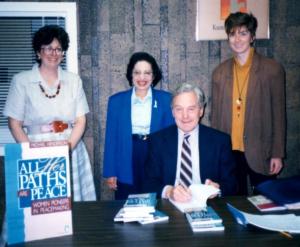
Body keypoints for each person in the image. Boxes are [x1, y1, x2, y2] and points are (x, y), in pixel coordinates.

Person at [3, 25, 96, 201]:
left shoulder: (73, 81)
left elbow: (81, 120)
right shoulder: (21, 81)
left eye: (58, 49)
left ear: (63, 53)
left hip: (70, 147)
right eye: (48, 48)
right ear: (38, 52)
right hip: (34, 148)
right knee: (40, 206)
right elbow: (14, 123)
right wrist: (32, 153)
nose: (53, 53)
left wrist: (66, 149)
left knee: (73, 207)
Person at [211, 12, 286, 195]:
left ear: (252, 37)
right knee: (233, 206)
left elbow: (279, 115)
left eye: (243, 33)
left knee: (266, 205)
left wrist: (277, 153)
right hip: (229, 152)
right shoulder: (219, 72)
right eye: (233, 34)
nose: (237, 39)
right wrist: (215, 154)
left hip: (261, 151)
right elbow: (215, 118)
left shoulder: (272, 69)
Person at [143, 83, 237, 202]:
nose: (185, 116)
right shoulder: (157, 141)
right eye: (179, 109)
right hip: (170, 206)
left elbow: (232, 184)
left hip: (209, 206)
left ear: (201, 111)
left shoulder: (220, 141)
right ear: (172, 112)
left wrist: (218, 189)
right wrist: (169, 191)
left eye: (191, 109)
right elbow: (148, 183)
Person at [103, 52, 174, 200]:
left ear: (153, 76)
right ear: (131, 75)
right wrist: (110, 171)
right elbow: (111, 139)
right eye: (137, 73)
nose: (142, 78)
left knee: (155, 198)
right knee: (127, 200)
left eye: (147, 73)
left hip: (155, 153)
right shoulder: (116, 101)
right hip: (127, 154)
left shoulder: (166, 100)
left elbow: (170, 137)